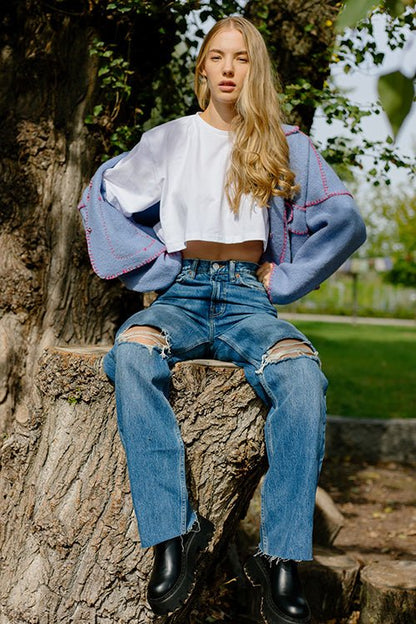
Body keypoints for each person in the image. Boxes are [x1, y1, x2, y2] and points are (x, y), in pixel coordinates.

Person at [79, 15, 366, 624]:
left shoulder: (283, 143)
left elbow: (345, 221)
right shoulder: (170, 139)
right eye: (217, 56)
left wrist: (286, 280)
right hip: (181, 295)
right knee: (132, 354)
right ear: (203, 69)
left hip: (247, 300)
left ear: (254, 69)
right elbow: (102, 194)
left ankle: (280, 558)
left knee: (302, 376)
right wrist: (153, 265)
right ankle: (172, 534)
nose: (229, 68)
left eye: (242, 57)